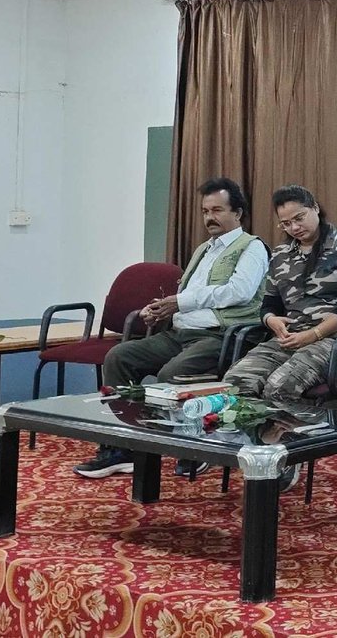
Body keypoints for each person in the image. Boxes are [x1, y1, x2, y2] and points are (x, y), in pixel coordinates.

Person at [74, 177, 269, 478]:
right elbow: (186, 297)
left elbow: (238, 292)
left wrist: (179, 301)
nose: (210, 218)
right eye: (205, 211)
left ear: (238, 213)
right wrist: (160, 309)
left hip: (220, 336)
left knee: (171, 375)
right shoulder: (204, 250)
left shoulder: (252, 248)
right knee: (119, 357)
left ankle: (193, 446)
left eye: (217, 210)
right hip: (180, 332)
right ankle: (124, 447)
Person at [224, 185, 337, 404]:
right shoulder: (281, 254)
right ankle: (259, 427)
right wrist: (271, 320)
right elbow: (269, 305)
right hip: (291, 339)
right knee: (234, 384)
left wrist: (314, 334)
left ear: (315, 208)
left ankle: (292, 427)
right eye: (286, 223)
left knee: (280, 387)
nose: (294, 227)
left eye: (299, 218)